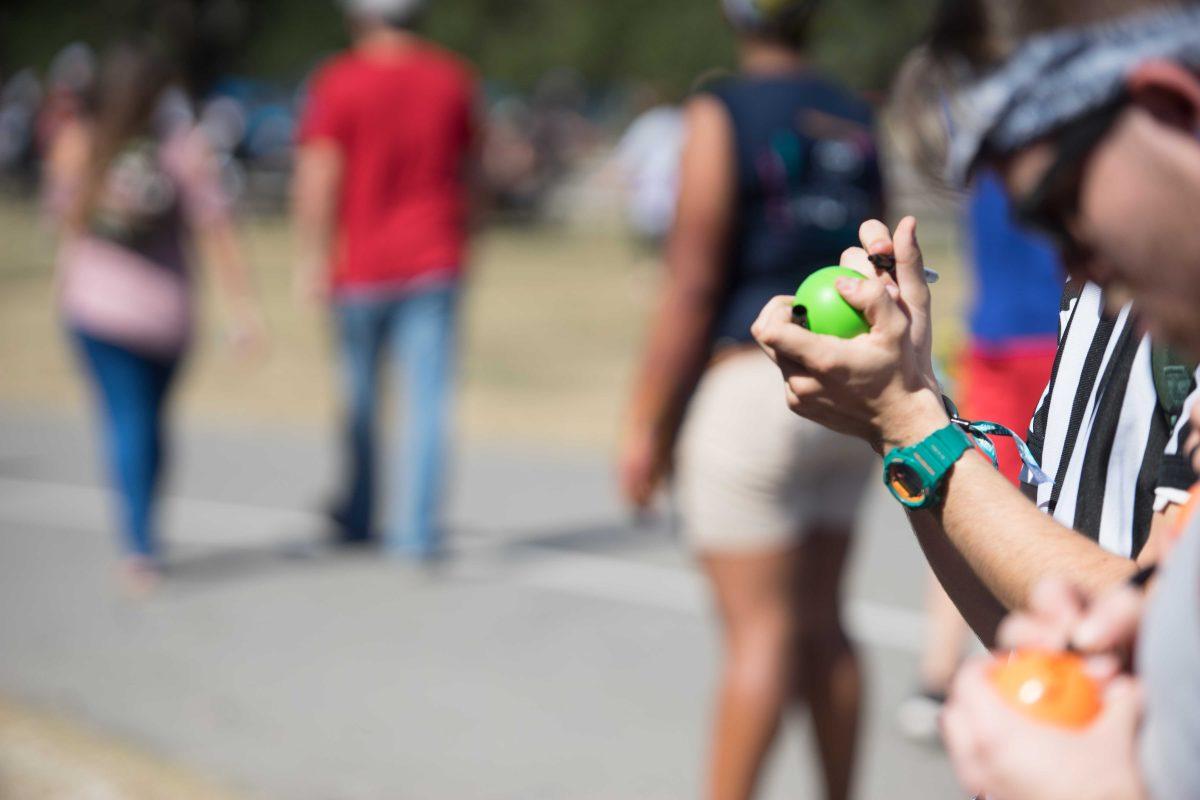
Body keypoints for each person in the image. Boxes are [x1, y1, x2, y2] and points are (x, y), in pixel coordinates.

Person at [753, 0, 1200, 796]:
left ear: (1172, 109)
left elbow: (1167, 674)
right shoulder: (1119, 291)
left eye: (1060, 208)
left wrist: (913, 423)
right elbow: (1065, 623)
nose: (1075, 265)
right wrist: (903, 418)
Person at [617, 2, 884, 798]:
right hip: (844, 391)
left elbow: (693, 279)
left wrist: (647, 423)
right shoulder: (855, 113)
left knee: (758, 637)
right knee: (826, 626)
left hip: (754, 380)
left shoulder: (720, 110)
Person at [47, 40, 264, 593]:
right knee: (148, 423)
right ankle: (144, 534)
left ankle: (138, 544)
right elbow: (219, 232)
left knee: (124, 421)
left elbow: (64, 223)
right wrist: (244, 311)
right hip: (165, 314)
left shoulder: (81, 144)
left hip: (95, 308)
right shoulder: (183, 149)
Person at [293, 0, 480, 560]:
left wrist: (311, 256)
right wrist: (473, 237)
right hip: (434, 257)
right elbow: (474, 171)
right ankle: (414, 533)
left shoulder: (340, 79)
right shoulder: (452, 77)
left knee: (360, 400)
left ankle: (358, 513)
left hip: (360, 264)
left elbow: (319, 173)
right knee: (427, 402)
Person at [898, 169, 1063, 741]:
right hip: (1016, 338)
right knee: (980, 492)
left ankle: (942, 678)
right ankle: (953, 675)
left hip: (1027, 336)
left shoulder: (989, 128)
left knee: (981, 492)